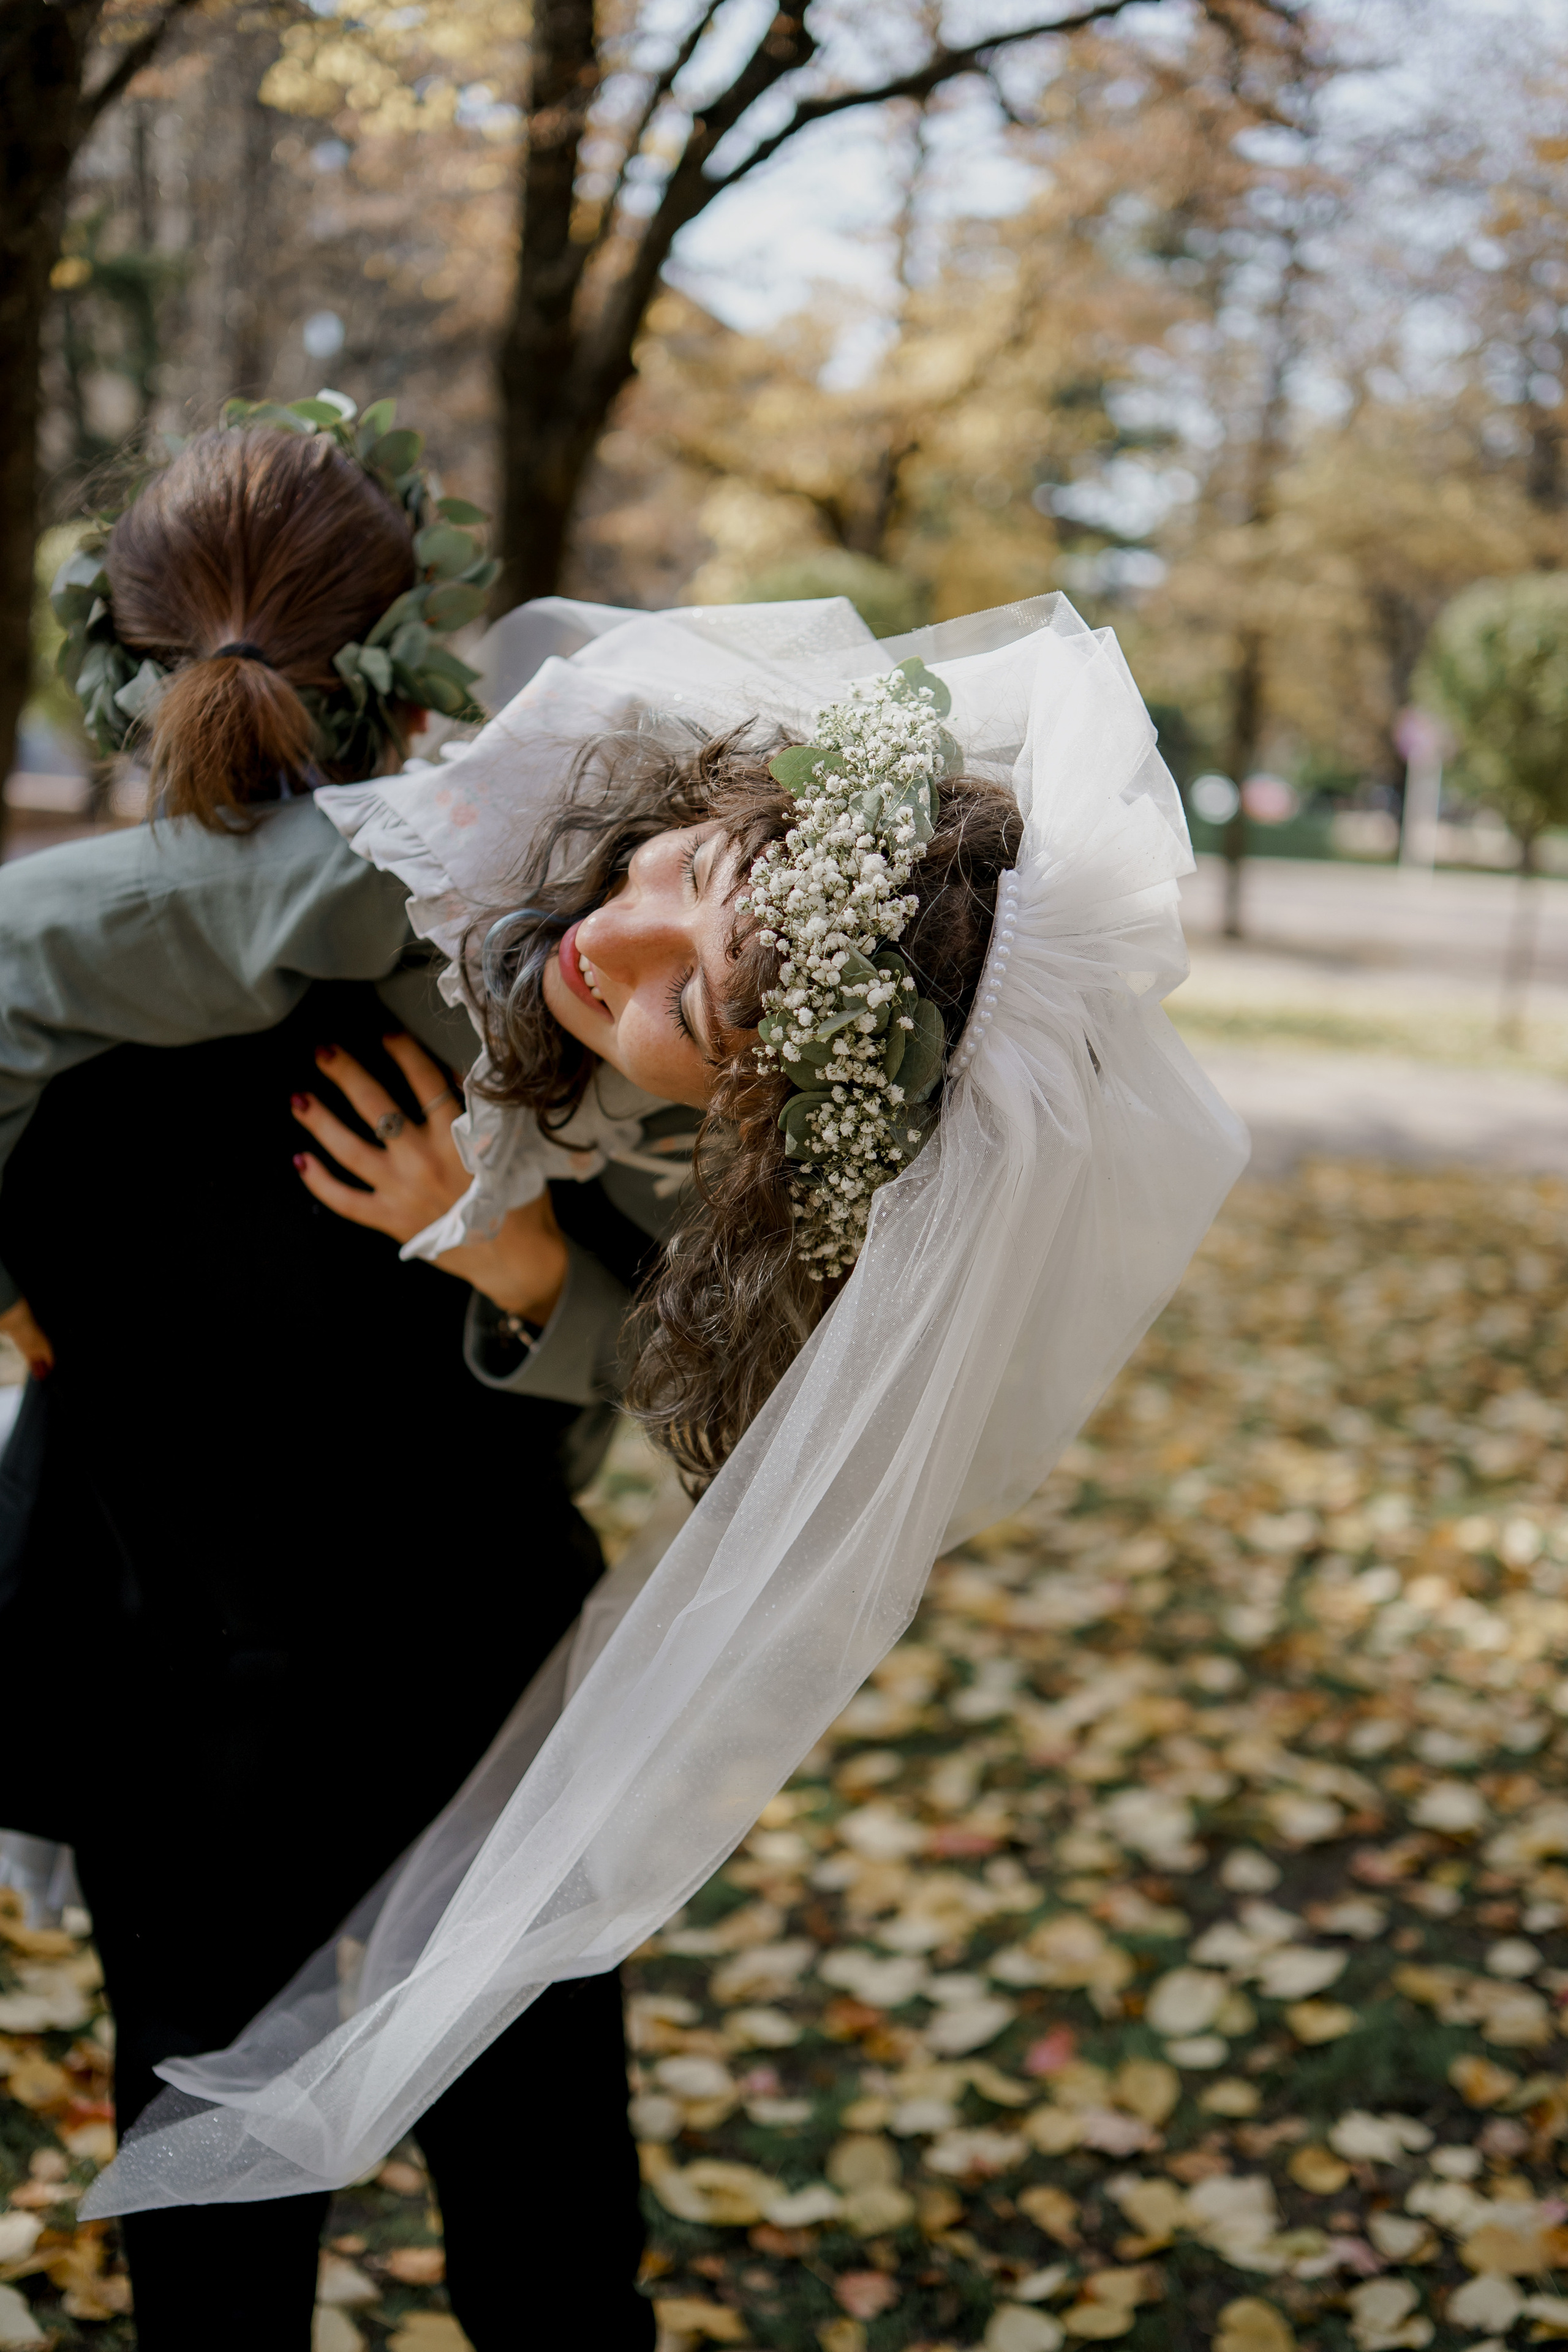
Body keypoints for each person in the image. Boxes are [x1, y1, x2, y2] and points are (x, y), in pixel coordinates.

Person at [0, 408, 663, 2348]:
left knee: (213, 2204)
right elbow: (679, 1366)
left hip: (171, 1662)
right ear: (412, 660)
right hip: (440, 1655)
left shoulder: (34, 985)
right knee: (544, 2212)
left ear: (125, 670)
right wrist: (524, 1254)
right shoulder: (558, 979)